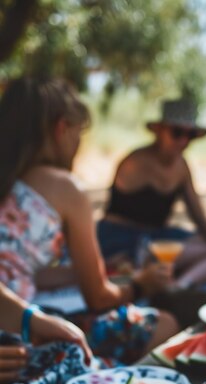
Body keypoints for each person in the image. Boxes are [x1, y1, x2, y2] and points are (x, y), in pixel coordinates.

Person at [0, 77, 179, 364]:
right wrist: (140, 284)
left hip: (13, 311)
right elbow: (98, 298)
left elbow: (20, 271)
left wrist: (77, 272)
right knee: (166, 323)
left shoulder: (8, 177)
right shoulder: (67, 188)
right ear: (62, 128)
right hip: (19, 331)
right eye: (79, 131)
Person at [97, 98, 206, 286]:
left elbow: (197, 213)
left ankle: (180, 285)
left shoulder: (181, 166)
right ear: (160, 131)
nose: (184, 141)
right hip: (121, 238)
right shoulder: (137, 161)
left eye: (190, 135)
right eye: (177, 133)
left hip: (158, 236)